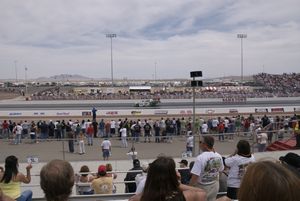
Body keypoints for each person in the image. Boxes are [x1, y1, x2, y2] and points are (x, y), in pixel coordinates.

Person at [129, 156, 206, 201]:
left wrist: (150, 187)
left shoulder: (137, 199)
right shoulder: (188, 196)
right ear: (172, 175)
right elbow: (202, 193)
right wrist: (177, 184)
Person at [189, 136, 224, 201]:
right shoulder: (219, 156)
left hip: (202, 187)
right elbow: (221, 171)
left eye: (200, 142)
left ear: (205, 145)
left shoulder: (200, 158)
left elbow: (195, 176)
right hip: (214, 185)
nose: (199, 144)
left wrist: (189, 188)